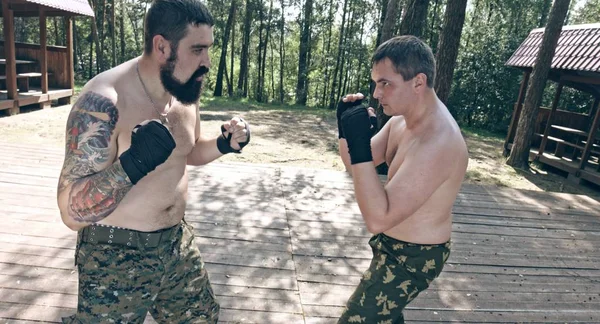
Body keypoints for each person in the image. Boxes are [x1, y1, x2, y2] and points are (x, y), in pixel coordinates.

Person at [56, 0, 249, 322]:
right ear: (162, 46)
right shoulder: (104, 101)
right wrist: (132, 165)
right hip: (114, 255)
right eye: (198, 49)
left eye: (208, 49)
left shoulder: (184, 91)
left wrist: (223, 144)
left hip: (176, 245)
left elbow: (187, 153)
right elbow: (70, 212)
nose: (208, 62)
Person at [336, 35, 468, 323]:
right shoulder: (400, 122)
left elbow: (378, 218)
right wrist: (345, 129)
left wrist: (359, 146)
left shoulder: (438, 141)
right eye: (375, 83)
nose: (376, 93)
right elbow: (353, 164)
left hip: (414, 257)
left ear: (418, 82)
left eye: (386, 83)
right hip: (390, 243)